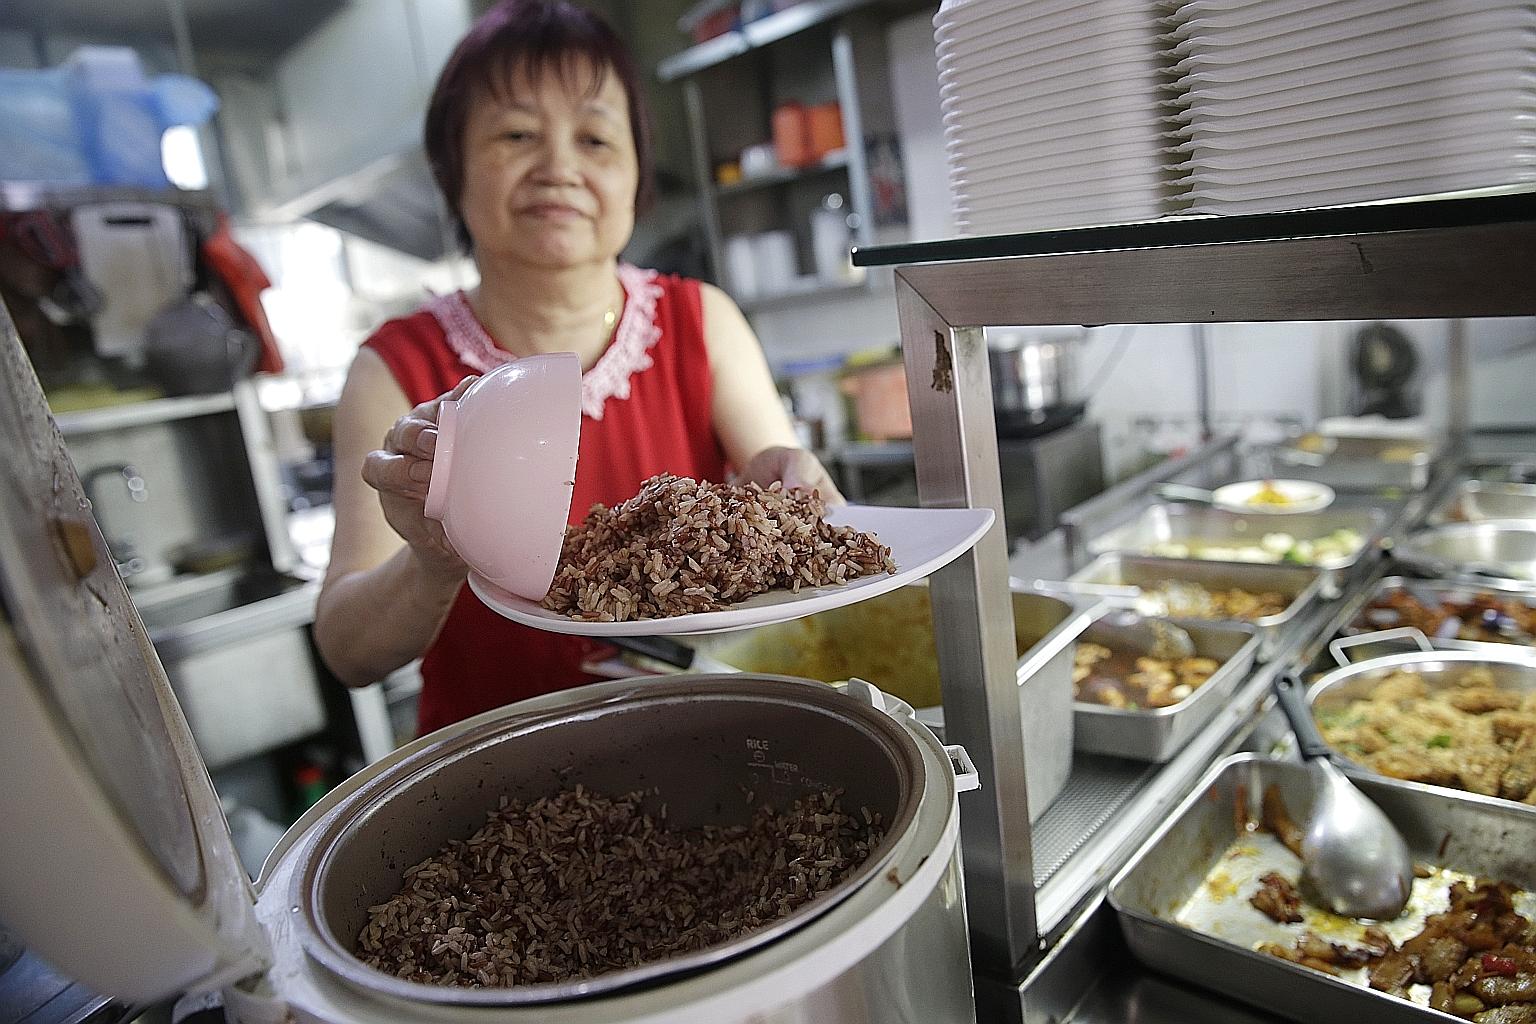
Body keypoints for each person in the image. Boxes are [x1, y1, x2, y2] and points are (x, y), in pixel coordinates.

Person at [314, 0, 840, 736]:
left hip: (706, 739)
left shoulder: (702, 320)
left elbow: (799, 502)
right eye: (517, 133)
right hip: (489, 774)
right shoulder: (393, 367)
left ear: (635, 175)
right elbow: (347, 650)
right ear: (453, 167)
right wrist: (432, 563)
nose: (559, 167)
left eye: (595, 138)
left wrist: (793, 490)